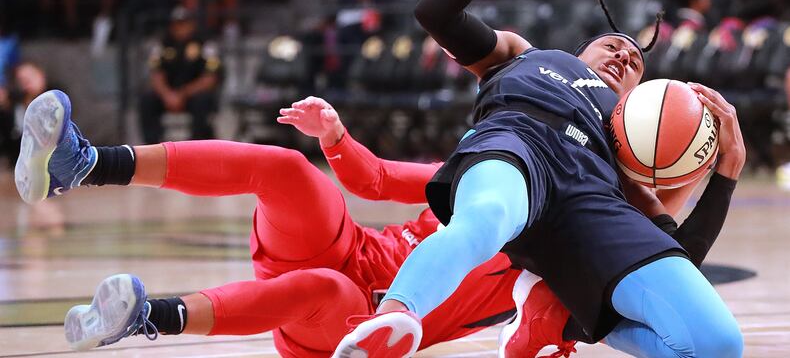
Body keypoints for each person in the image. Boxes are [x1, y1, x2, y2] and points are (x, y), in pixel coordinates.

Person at [15, 88, 742, 358]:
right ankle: (86, 164)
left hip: (358, 323)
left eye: (626, 66)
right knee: (290, 170)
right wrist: (335, 137)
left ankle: (147, 317)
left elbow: (663, 268)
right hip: (354, 249)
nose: (616, 64)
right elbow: (371, 180)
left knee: (328, 291)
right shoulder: (501, 170)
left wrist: (718, 179)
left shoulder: (574, 249)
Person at [334, 0, 744, 357]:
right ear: (578, 53)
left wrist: (726, 171)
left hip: (590, 198)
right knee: (488, 214)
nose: (625, 55)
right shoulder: (525, 55)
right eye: (611, 47)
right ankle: (394, 317)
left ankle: (558, 318)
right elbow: (436, 13)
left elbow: (677, 257)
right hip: (519, 145)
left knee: (718, 345)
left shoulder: (628, 155)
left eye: (635, 64)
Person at [138, 6, 222, 144]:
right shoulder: (163, 44)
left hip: (193, 94)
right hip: (169, 94)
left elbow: (210, 78)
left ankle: (197, 144)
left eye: (183, 24)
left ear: (192, 24)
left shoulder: (205, 43)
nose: (180, 28)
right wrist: (167, 95)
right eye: (176, 24)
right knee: (147, 100)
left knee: (203, 101)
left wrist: (182, 94)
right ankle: (152, 144)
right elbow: (156, 74)